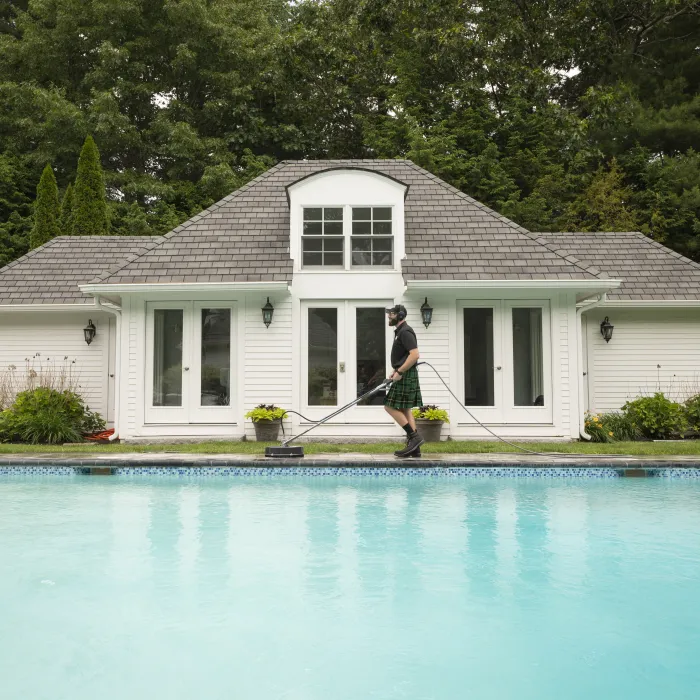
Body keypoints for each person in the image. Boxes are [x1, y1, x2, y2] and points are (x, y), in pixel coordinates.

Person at [384, 304, 424, 458]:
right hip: (404, 373)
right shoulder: (401, 331)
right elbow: (405, 355)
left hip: (405, 374)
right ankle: (415, 448)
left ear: (400, 316)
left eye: (392, 314)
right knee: (406, 408)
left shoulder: (405, 332)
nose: (389, 316)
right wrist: (396, 370)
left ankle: (414, 438)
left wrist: (400, 371)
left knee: (389, 407)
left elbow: (414, 355)